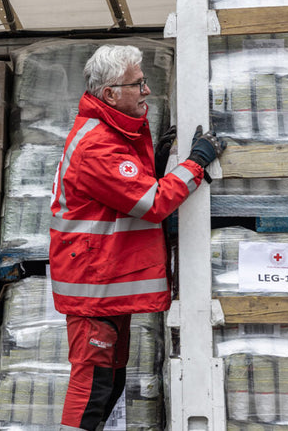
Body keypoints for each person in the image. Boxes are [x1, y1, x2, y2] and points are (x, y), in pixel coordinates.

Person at [49, 45, 226, 431]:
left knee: (109, 381)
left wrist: (160, 163)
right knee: (94, 382)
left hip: (105, 278)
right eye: (138, 83)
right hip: (94, 282)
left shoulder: (112, 132)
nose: (147, 90)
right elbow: (153, 201)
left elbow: (129, 188)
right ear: (111, 93)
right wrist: (196, 162)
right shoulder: (98, 145)